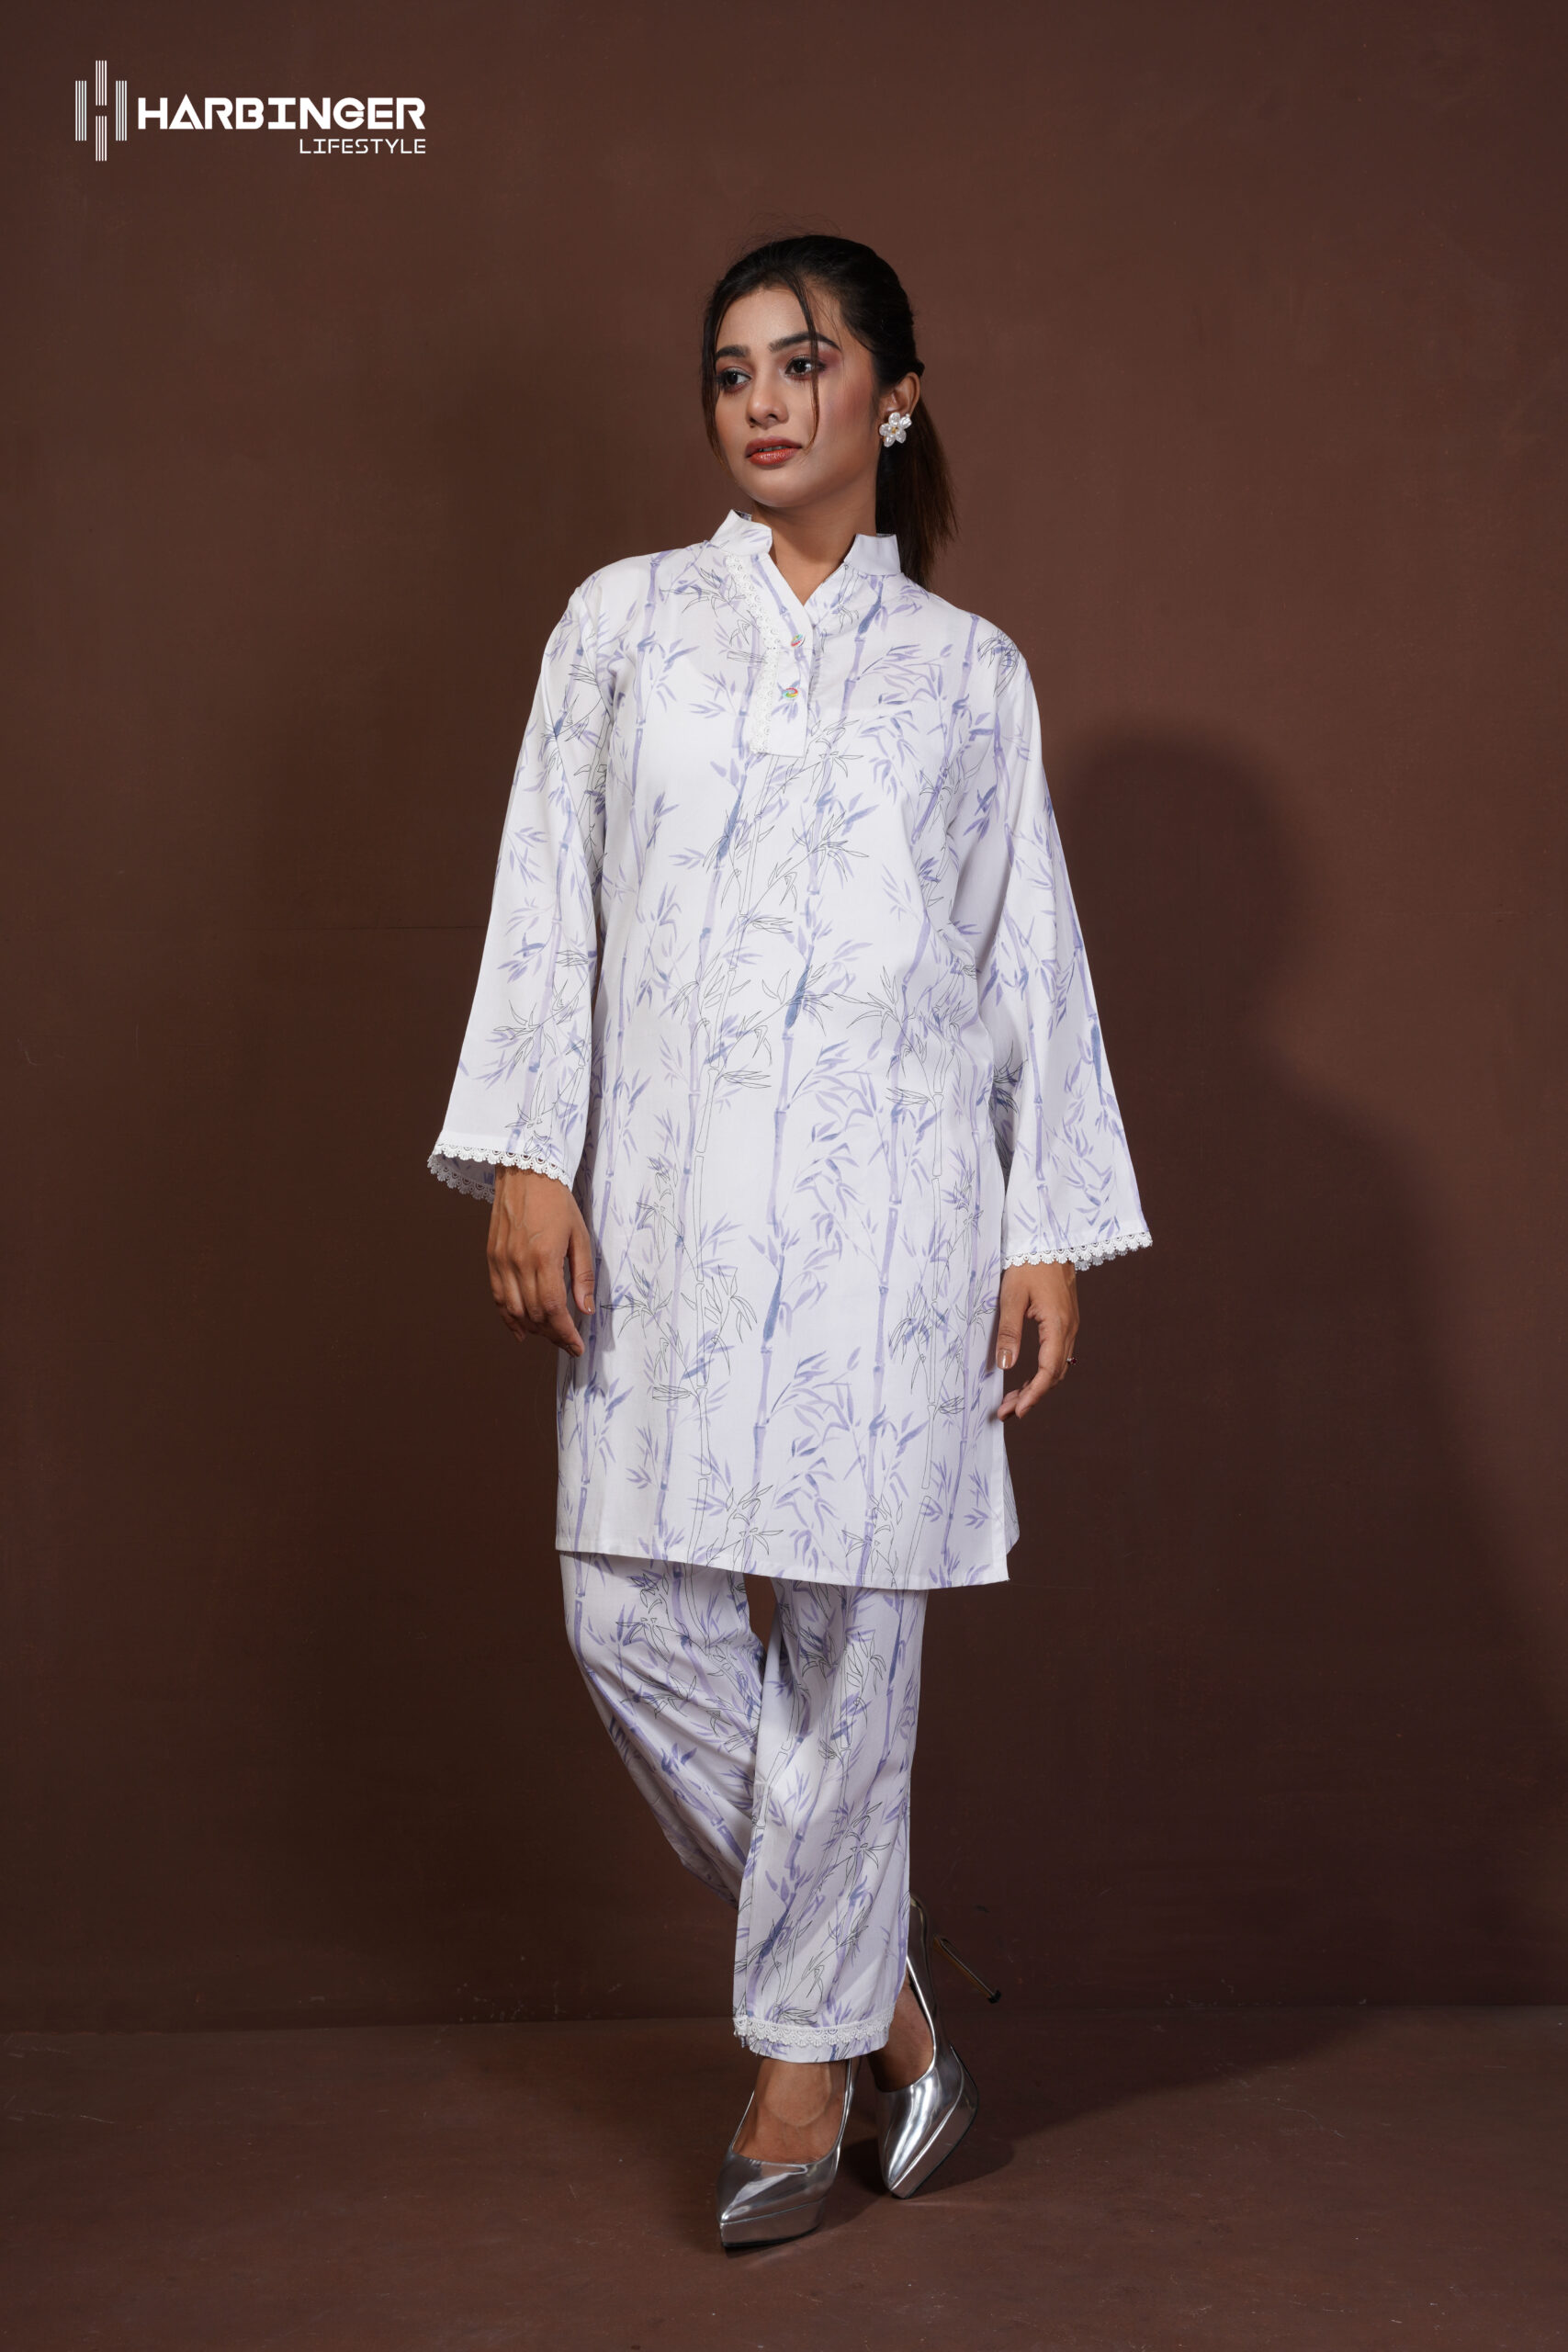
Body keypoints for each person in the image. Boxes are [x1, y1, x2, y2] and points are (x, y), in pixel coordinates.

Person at [428, 233, 1150, 2246]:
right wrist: (528, 1152)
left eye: (803, 362)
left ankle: (798, 2072)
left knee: (849, 1654)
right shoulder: (623, 626)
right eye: (730, 369)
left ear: (890, 397)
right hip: (657, 1209)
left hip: (892, 1221)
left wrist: (1043, 1224)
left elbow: (1022, 955)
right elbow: (548, 897)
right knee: (623, 1615)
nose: (760, 399)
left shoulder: (969, 673)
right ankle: (887, 1996)